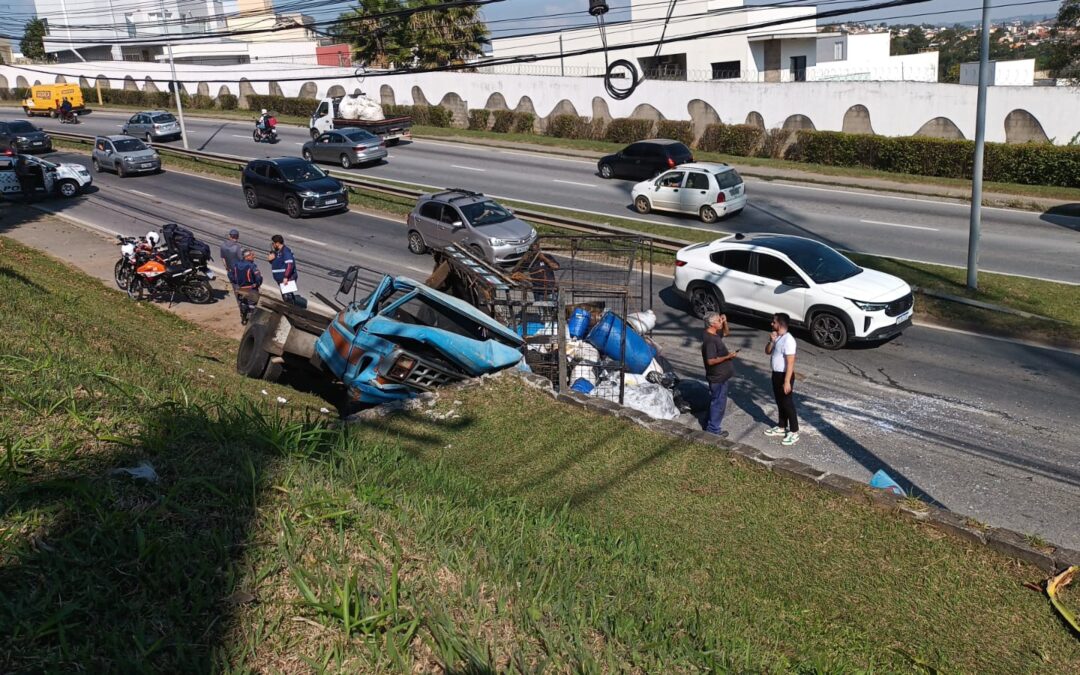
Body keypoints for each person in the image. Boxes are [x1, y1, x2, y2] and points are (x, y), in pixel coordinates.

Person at [764, 312, 799, 446]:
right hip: (776, 374)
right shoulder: (777, 337)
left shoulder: (789, 340)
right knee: (780, 402)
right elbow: (767, 352)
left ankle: (794, 431)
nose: (772, 324)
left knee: (787, 403)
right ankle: (781, 426)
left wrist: (786, 381)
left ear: (780, 323)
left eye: (774, 322)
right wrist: (771, 341)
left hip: (785, 375)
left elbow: (790, 362)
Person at [701, 312, 737, 437]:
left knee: (716, 401)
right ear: (712, 324)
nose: (721, 321)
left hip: (722, 375)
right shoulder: (710, 341)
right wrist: (728, 356)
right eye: (719, 320)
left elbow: (726, 333)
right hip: (717, 377)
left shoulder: (714, 334)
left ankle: (708, 423)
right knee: (719, 403)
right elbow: (710, 361)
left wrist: (725, 322)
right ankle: (713, 430)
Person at [232, 249, 263, 325]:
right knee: (252, 305)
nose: (254, 256)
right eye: (252, 255)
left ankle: (244, 319)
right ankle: (252, 322)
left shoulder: (236, 265)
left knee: (243, 303)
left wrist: (237, 284)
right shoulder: (252, 266)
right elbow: (258, 277)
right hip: (251, 288)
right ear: (247, 256)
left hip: (240, 288)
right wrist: (258, 284)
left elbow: (231, 275)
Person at [268, 234, 298, 304]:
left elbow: (290, 265)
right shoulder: (278, 252)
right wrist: (270, 260)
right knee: (285, 296)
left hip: (287, 278)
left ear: (277, 243)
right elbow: (277, 262)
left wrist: (286, 277)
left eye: (273, 243)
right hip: (280, 279)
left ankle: (291, 311)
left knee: (287, 297)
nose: (272, 245)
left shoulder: (286, 252)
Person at [220, 228, 243, 301]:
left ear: (230, 236)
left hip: (229, 270)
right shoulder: (237, 247)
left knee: (234, 286)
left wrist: (227, 268)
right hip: (238, 271)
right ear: (237, 237)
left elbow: (223, 258)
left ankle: (238, 300)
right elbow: (241, 259)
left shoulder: (223, 245)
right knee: (241, 286)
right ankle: (242, 301)